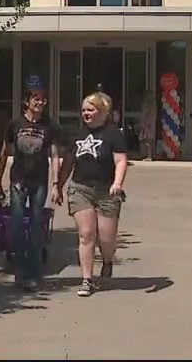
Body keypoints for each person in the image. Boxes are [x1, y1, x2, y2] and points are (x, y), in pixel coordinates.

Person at [53, 91, 128, 297]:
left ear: (102, 112)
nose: (86, 113)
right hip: (80, 188)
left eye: (91, 110)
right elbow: (68, 164)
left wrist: (117, 183)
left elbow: (121, 161)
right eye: (84, 110)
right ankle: (87, 279)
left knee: (106, 238)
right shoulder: (77, 135)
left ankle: (107, 260)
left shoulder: (114, 135)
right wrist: (58, 186)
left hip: (107, 191)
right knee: (86, 235)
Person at [0, 87, 59, 292]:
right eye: (36, 99)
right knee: (17, 226)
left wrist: (56, 184)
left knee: (37, 226)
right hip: (18, 180)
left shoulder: (49, 126)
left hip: (40, 181)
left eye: (44, 100)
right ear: (27, 102)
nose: (40, 103)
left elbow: (55, 155)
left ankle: (35, 274)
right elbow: (4, 153)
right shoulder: (15, 125)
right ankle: (20, 272)